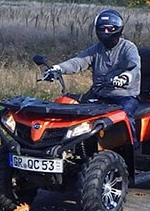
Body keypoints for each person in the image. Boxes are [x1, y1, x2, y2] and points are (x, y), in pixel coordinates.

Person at [44, 9, 142, 146]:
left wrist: (125, 77)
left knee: (124, 114)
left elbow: (135, 66)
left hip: (124, 96)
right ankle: (71, 146)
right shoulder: (96, 49)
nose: (106, 32)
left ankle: (132, 147)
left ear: (118, 29)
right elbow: (78, 62)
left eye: (110, 29)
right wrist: (57, 68)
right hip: (99, 94)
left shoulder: (128, 47)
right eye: (102, 29)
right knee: (74, 112)